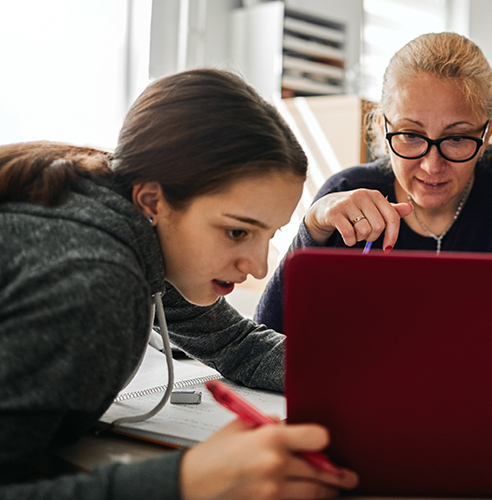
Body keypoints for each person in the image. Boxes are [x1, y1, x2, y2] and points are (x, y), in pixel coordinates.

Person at [0, 69, 358, 499]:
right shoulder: (95, 280)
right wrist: (188, 480)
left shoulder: (129, 221)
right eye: (237, 232)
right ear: (153, 200)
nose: (260, 267)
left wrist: (363, 376)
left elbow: (234, 343)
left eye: (270, 235)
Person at [255, 32, 492, 332]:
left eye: (457, 138)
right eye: (411, 136)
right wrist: (311, 232)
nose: (432, 166)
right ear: (384, 126)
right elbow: (266, 337)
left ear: (486, 134)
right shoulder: (346, 198)